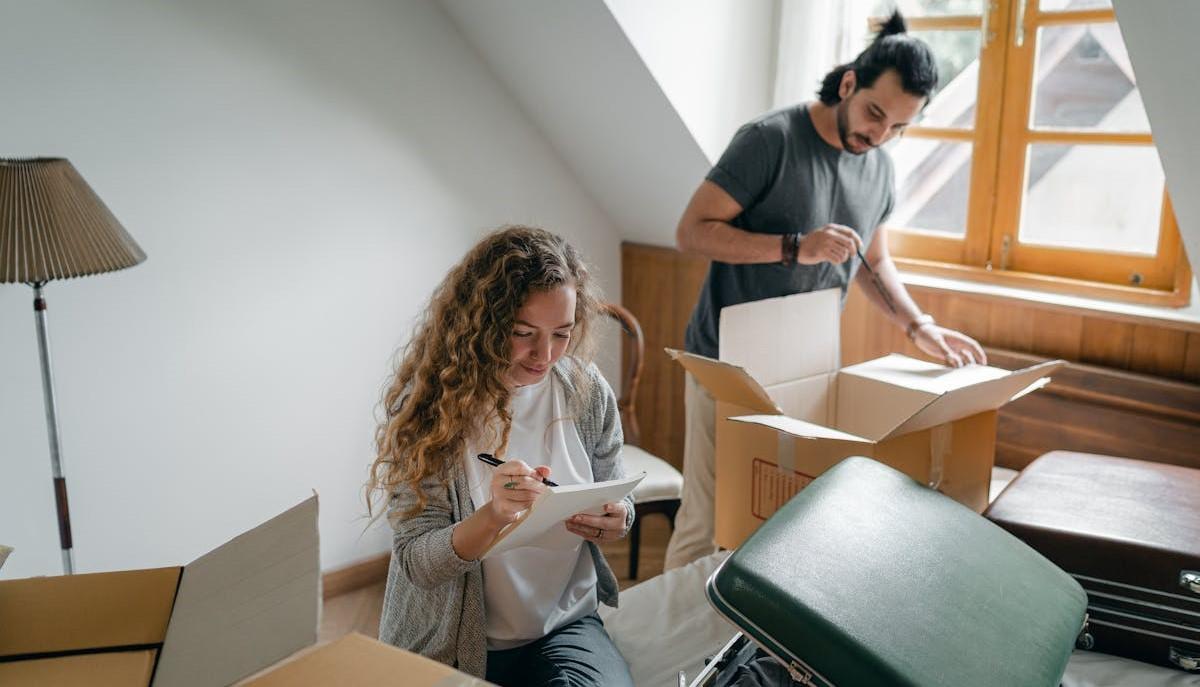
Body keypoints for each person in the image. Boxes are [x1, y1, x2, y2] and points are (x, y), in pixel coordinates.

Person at [664, 11, 987, 571]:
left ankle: (742, 652)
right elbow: (692, 233)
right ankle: (667, 656)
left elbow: (873, 261)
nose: (879, 136)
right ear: (847, 85)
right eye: (874, 114)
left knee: (781, 521)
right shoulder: (770, 140)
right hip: (726, 365)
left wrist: (920, 327)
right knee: (706, 518)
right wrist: (794, 247)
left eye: (898, 128)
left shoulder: (879, 167)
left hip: (806, 370)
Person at [368, 226, 635, 686]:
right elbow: (416, 561)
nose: (545, 355)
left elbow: (619, 493)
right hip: (453, 641)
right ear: (484, 324)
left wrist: (618, 518)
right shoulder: (429, 411)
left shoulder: (587, 394)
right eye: (522, 333)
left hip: (564, 626)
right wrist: (492, 516)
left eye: (562, 334)